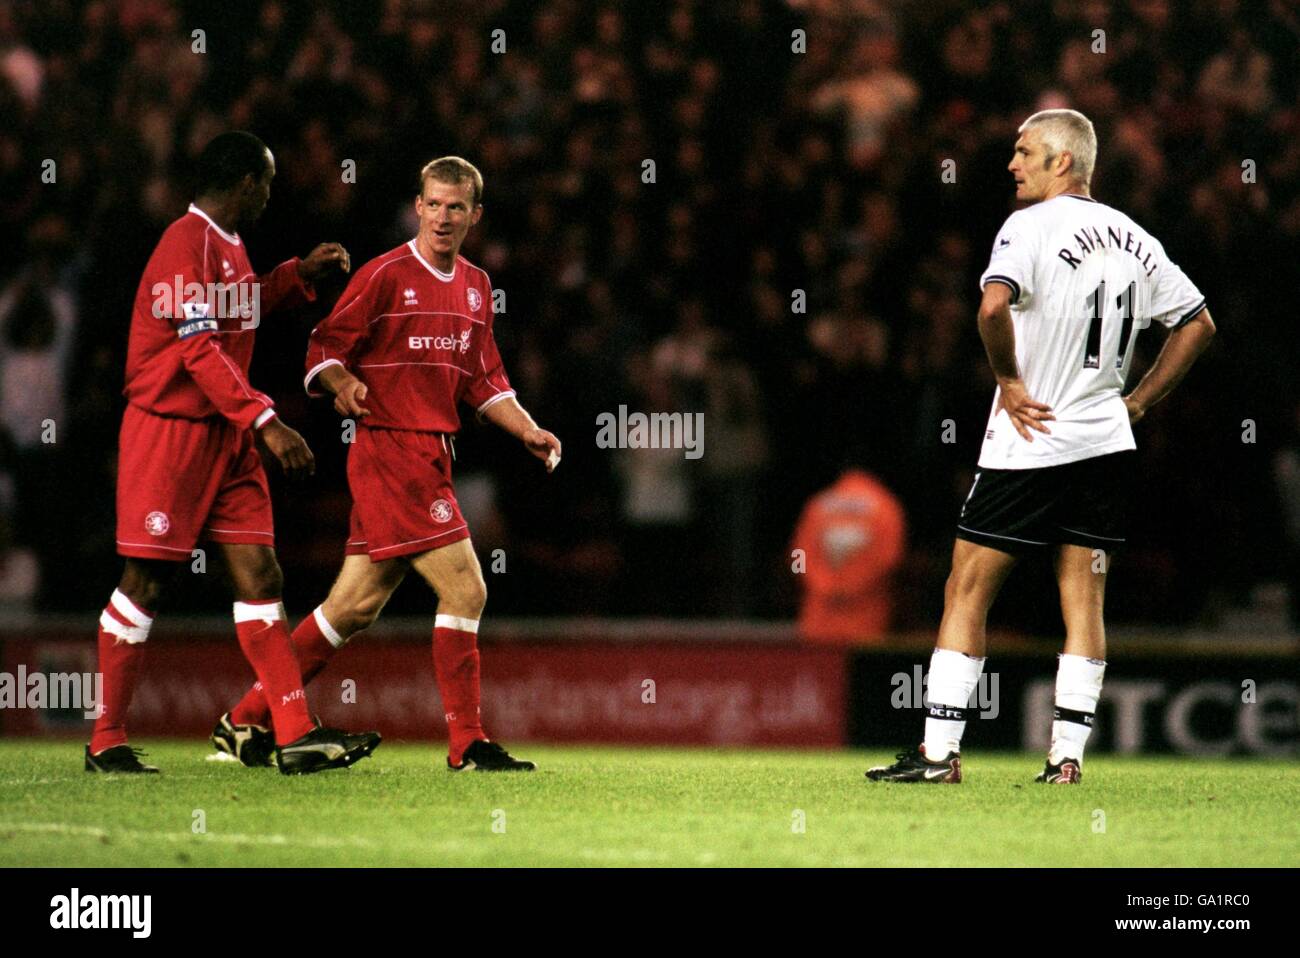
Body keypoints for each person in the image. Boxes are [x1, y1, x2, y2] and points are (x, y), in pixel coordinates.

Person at [867, 109, 1215, 785]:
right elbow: (1198, 324)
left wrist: (1005, 378)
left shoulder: (1027, 227)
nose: (1012, 163)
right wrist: (1139, 401)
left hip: (1030, 438)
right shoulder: (1134, 235)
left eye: (1023, 151)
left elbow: (992, 308)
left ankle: (939, 754)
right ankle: (1066, 760)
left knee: (967, 589)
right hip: (1106, 444)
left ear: (1062, 160)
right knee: (1084, 603)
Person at [211, 156, 561, 772]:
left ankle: (244, 719)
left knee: (352, 608)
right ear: (418, 206)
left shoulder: (478, 286)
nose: (444, 217)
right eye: (434, 204)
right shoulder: (385, 275)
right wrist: (343, 385)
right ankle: (467, 745)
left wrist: (527, 429)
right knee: (466, 587)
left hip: (432, 452)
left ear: (474, 215)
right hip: (392, 451)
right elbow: (323, 347)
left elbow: (484, 378)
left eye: (457, 207)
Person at [89, 131, 380, 775]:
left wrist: (292, 278)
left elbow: (236, 312)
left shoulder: (228, 244)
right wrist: (268, 421)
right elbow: (197, 350)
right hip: (171, 432)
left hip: (227, 437)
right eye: (268, 181)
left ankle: (294, 731)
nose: (272, 194)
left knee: (262, 577)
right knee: (146, 581)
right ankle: (105, 738)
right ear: (246, 182)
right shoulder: (180, 245)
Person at [790, 466, 906, 643]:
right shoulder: (886, 506)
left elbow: (798, 554)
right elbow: (889, 558)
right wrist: (851, 587)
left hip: (819, 619)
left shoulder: (817, 504)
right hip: (865, 620)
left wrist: (824, 586)